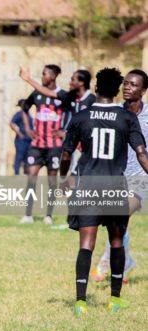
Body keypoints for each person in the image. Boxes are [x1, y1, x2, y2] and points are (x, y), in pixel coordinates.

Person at [60, 67, 148, 315]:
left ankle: (80, 302)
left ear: (96, 88)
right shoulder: (126, 118)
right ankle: (115, 299)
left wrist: (63, 178)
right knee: (117, 241)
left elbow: (66, 154)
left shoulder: (81, 116)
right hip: (115, 187)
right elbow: (141, 154)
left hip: (88, 185)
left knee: (86, 244)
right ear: (118, 89)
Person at [92, 69, 148, 284]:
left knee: (119, 215)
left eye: (133, 85)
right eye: (125, 83)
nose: (127, 87)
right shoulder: (113, 112)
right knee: (117, 222)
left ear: (143, 91)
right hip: (114, 176)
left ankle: (108, 263)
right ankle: (125, 263)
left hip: (141, 178)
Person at [19, 68, 96, 176]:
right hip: (74, 146)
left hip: (88, 147)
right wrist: (28, 80)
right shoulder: (71, 97)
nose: (70, 82)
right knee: (69, 171)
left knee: (77, 178)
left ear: (81, 83)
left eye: (73, 79)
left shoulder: (92, 100)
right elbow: (49, 92)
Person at [18, 64, 68, 225]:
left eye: (44, 74)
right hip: (37, 144)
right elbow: (24, 108)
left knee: (52, 181)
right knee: (31, 177)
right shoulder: (36, 95)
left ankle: (48, 215)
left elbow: (73, 115)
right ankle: (28, 215)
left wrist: (64, 131)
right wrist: (27, 128)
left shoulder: (62, 95)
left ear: (53, 76)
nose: (42, 76)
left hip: (54, 145)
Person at [9, 99, 33, 175]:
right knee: (19, 157)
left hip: (28, 140)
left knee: (27, 158)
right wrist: (19, 133)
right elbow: (12, 124)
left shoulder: (28, 114)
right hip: (21, 140)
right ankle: (16, 173)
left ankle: (26, 173)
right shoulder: (19, 114)